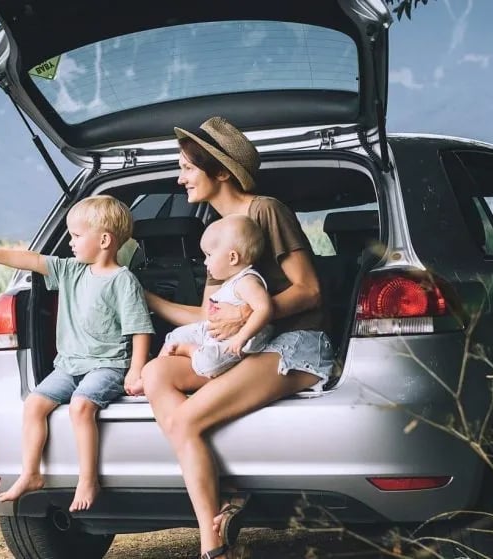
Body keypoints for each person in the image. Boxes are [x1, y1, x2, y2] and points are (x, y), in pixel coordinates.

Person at [140, 117, 333, 559]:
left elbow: (310, 290)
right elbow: (211, 316)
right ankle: (223, 493)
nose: (179, 177)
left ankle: (213, 546)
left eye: (188, 167)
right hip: (244, 347)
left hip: (292, 346)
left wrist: (248, 311)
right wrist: (144, 298)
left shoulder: (265, 210)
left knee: (185, 421)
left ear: (221, 171)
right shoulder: (216, 226)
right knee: (156, 373)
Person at [0, 195, 154, 512]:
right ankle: (31, 474)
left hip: (107, 366)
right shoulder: (70, 271)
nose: (71, 243)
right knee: (34, 403)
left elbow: (140, 328)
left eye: (76, 236)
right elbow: (31, 260)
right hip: (68, 366)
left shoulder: (123, 281)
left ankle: (88, 479)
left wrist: (135, 370)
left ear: (104, 240)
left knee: (81, 406)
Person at [160, 215, 274, 379]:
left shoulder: (246, 281)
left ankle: (189, 350)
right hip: (213, 332)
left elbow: (264, 308)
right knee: (175, 335)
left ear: (232, 258)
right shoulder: (230, 280)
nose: (205, 262)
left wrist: (242, 336)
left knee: (207, 364)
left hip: (235, 340)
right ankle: (149, 375)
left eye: (209, 255)